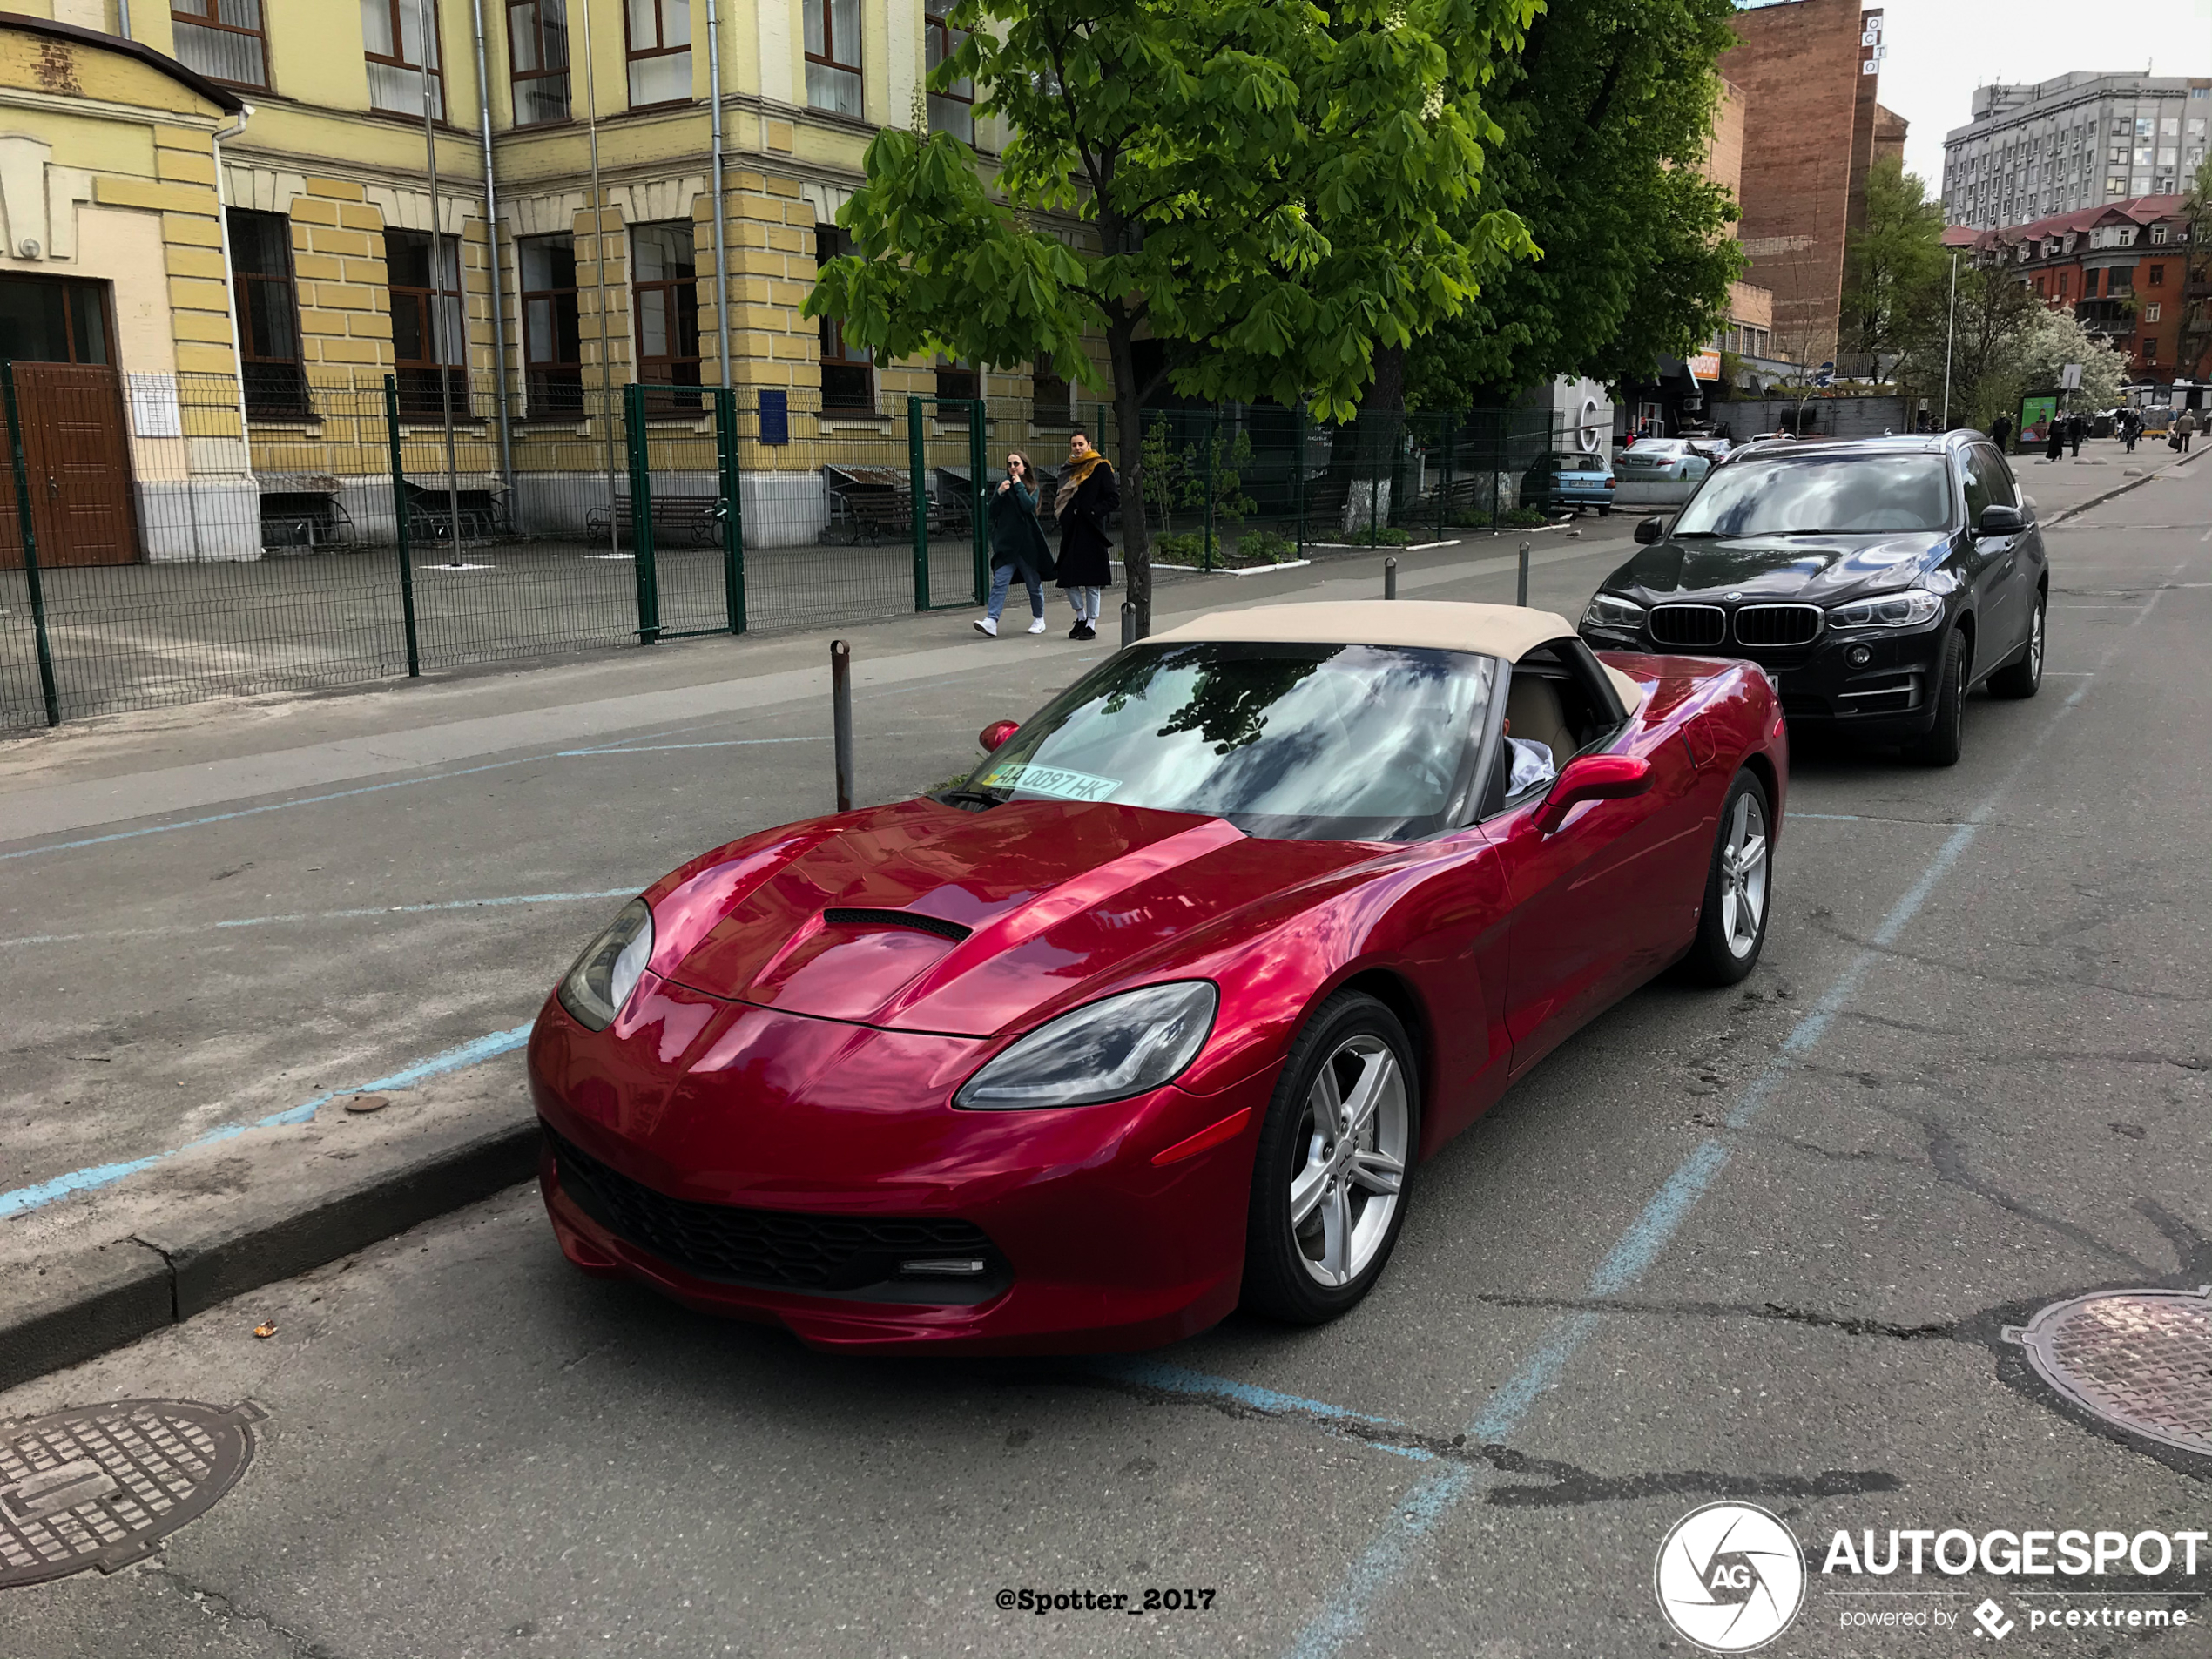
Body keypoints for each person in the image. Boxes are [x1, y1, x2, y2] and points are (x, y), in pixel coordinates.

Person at [974, 450, 1056, 637]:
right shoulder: (1002, 486)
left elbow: (1028, 506)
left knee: (1033, 584)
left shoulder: (1032, 487)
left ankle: (1039, 618)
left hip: (1027, 545)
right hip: (1007, 545)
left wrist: (1019, 486)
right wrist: (1000, 494)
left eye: (1016, 464)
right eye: (1009, 464)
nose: (1012, 468)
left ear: (1024, 466)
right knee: (1000, 582)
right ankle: (991, 621)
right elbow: (992, 513)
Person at [1053, 428, 1117, 640]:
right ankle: (1080, 617)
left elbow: (1112, 499)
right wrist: (1065, 517)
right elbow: (1062, 496)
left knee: (1092, 580)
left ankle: (1091, 623)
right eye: (1074, 445)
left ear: (1089, 445)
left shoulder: (1100, 467)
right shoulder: (1068, 468)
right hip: (1071, 530)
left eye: (1081, 444)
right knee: (1067, 578)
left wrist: (1093, 511)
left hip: (1091, 529)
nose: (1078, 448)